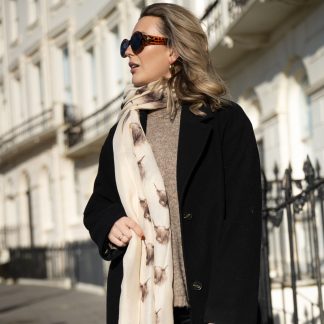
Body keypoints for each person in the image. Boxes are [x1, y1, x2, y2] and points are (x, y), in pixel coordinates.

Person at [84, 3, 262, 324]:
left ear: (173, 51)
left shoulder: (224, 121)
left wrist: (225, 314)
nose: (128, 53)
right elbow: (99, 204)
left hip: (209, 309)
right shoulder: (124, 131)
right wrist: (111, 224)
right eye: (126, 44)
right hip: (143, 310)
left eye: (138, 42)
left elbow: (241, 226)